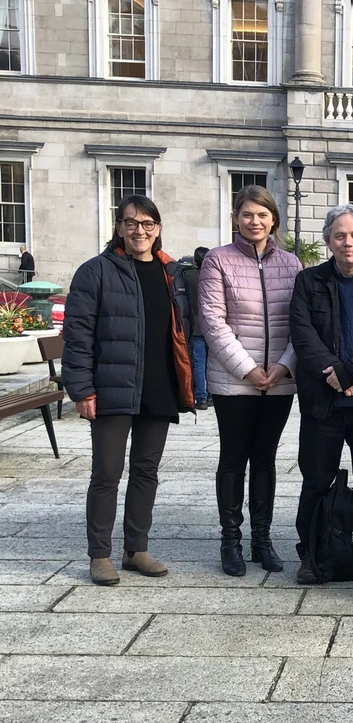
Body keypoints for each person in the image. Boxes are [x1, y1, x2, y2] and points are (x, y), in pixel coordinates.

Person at [62, 195, 194, 586]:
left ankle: (136, 548)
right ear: (118, 228)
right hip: (111, 387)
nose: (140, 231)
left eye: (148, 223)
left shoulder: (171, 271)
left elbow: (184, 331)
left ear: (158, 228)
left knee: (146, 471)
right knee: (106, 473)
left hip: (158, 386)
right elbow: (77, 336)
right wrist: (82, 389)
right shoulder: (96, 271)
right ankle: (99, 555)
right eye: (132, 223)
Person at [289, 204, 353, 585]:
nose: (347, 242)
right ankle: (311, 553)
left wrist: (352, 373)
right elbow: (303, 335)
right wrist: (334, 375)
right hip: (324, 402)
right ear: (328, 241)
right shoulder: (308, 282)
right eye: (339, 235)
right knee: (316, 480)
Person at [200, 185, 301, 577]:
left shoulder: (291, 264)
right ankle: (231, 540)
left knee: (265, 460)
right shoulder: (217, 261)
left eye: (262, 214)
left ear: (273, 219)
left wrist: (282, 366)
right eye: (247, 214)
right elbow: (213, 321)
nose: (254, 221)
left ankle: (262, 538)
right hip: (234, 381)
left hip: (278, 380)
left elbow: (301, 324)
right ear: (236, 218)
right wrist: (247, 369)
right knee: (234, 457)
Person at [185, 246, 210, 410]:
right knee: (211, 362)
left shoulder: (188, 276)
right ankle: (211, 395)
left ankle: (201, 397)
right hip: (214, 326)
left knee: (199, 362)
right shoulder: (213, 276)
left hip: (195, 325)